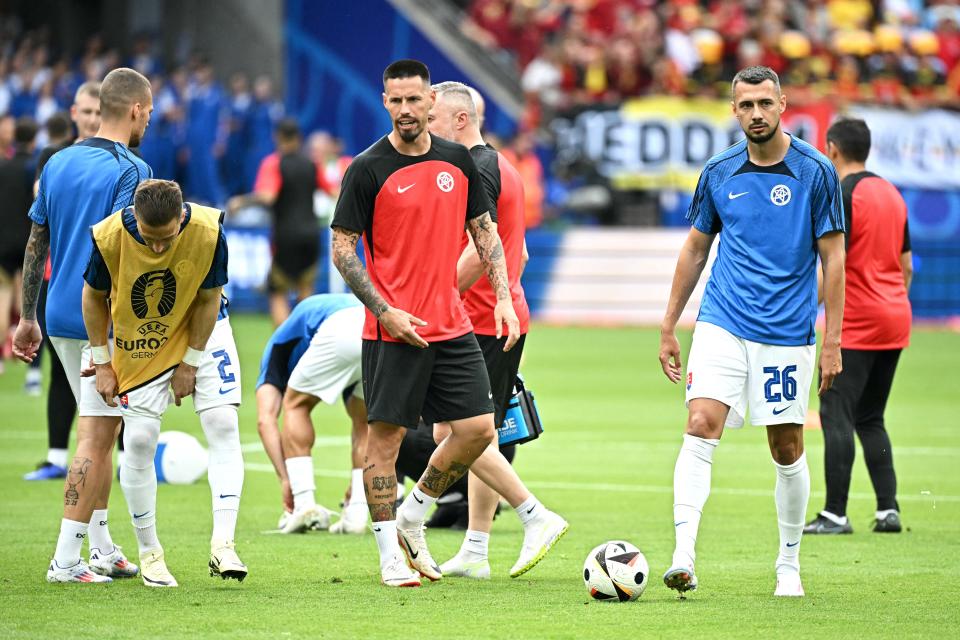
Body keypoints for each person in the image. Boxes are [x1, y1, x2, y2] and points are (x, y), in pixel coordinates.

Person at [331, 59, 521, 588]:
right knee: (385, 443)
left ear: (431, 103)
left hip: (453, 323)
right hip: (393, 330)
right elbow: (342, 247)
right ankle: (390, 553)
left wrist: (502, 299)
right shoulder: (367, 168)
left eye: (415, 100)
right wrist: (383, 310)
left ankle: (414, 513)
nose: (406, 110)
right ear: (385, 101)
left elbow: (485, 232)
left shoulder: (458, 161)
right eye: (396, 100)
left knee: (479, 430)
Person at [657, 66, 846, 598]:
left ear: (783, 103)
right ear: (734, 110)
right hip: (723, 320)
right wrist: (670, 323)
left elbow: (834, 258)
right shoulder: (719, 171)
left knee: (785, 445)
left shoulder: (815, 172)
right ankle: (684, 556)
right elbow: (696, 247)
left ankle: (788, 565)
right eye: (746, 105)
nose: (756, 114)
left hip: (787, 332)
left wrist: (832, 339)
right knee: (700, 422)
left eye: (765, 103)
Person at [14, 68, 154, 584]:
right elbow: (121, 256)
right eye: (150, 112)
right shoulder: (133, 169)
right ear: (136, 109)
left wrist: (29, 316)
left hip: (56, 314)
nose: (149, 120)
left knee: (103, 427)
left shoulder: (57, 162)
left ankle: (101, 547)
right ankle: (66, 559)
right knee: (97, 437)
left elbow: (36, 243)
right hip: (102, 321)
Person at [427, 81, 566, 580]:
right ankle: (477, 548)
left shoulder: (476, 169)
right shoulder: (503, 166)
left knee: (457, 430)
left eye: (434, 119)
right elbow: (519, 253)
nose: (427, 127)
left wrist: (436, 298)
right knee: (474, 432)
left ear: (461, 120)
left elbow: (479, 253)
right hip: (498, 318)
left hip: (479, 322)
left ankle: (534, 515)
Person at [82, 178, 246, 587]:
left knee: (224, 425)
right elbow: (92, 297)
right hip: (142, 338)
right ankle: (149, 552)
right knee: (138, 441)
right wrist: (103, 362)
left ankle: (223, 544)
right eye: (149, 238)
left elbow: (210, 299)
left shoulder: (209, 231)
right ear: (135, 217)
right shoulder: (109, 236)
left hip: (203, 330)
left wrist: (190, 363)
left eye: (167, 238)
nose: (157, 248)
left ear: (181, 218)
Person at [804, 118, 912, 536]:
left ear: (831, 149)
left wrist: (800, 311)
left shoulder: (842, 194)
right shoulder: (892, 194)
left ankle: (835, 513)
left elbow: (834, 262)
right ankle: (888, 509)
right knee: (871, 416)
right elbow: (905, 267)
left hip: (859, 320)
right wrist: (892, 301)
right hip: (895, 317)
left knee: (836, 413)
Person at [24, 83, 102, 479]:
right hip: (59, 279)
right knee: (59, 367)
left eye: (98, 112)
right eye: (86, 112)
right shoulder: (53, 158)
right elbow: (40, 210)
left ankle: (123, 460)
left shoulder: (124, 161)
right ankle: (56, 456)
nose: (91, 119)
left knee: (116, 371)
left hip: (105, 287)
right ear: (74, 112)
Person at [255, 293, 368, 534]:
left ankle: (304, 504)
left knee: (295, 405)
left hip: (341, 327)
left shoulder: (276, 350)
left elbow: (265, 420)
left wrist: (287, 480)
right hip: (374, 328)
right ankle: (357, 512)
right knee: (364, 421)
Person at [229, 119, 330, 325]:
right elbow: (333, 190)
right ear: (299, 138)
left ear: (277, 137)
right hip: (311, 235)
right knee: (306, 290)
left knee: (277, 291)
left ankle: (284, 345)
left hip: (286, 236)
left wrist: (242, 201)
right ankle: (306, 343)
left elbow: (268, 197)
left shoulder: (274, 163)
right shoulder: (312, 164)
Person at [0, 117, 38, 374]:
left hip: (3, 243)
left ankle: (1, 360)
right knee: (29, 304)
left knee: (2, 300)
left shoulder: (2, 167)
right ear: (34, 140)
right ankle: (33, 367)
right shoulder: (33, 169)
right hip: (28, 245)